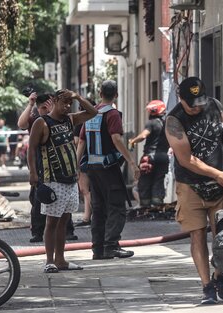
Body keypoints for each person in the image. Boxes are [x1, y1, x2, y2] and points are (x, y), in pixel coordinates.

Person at [165, 77, 223, 304]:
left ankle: (220, 277)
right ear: (181, 99)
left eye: (200, 101)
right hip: (191, 185)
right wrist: (217, 174)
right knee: (197, 234)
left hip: (221, 183)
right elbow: (186, 159)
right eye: (192, 104)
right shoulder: (174, 121)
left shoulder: (214, 105)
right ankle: (206, 286)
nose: (198, 107)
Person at [28, 89, 97, 273]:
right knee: (51, 222)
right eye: (64, 103)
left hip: (71, 180)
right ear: (54, 101)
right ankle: (49, 261)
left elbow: (93, 112)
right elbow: (31, 149)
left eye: (69, 104)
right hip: (53, 180)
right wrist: (33, 174)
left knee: (64, 221)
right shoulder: (41, 123)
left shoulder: (70, 119)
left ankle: (61, 260)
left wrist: (78, 97)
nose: (67, 107)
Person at [77, 80, 139, 260]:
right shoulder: (112, 114)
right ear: (116, 95)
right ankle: (111, 246)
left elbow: (81, 142)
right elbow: (117, 139)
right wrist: (132, 162)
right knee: (117, 207)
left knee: (99, 208)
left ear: (99, 92)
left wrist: (76, 167)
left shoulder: (90, 114)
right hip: (109, 168)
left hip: (92, 169)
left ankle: (98, 249)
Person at [18, 93, 78, 243]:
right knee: (39, 199)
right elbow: (22, 124)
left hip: (60, 168)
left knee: (63, 203)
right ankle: (38, 231)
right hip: (40, 164)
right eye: (43, 107)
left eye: (49, 106)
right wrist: (31, 104)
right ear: (38, 108)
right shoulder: (37, 121)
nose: (46, 110)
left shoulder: (60, 119)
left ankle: (67, 231)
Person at [128, 100, 169, 209]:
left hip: (149, 157)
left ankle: (145, 206)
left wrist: (133, 141)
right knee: (159, 180)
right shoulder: (166, 124)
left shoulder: (151, 123)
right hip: (164, 157)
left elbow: (144, 136)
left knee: (145, 180)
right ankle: (157, 203)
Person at [74, 98, 96, 227]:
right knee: (91, 190)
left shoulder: (81, 122)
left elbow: (78, 142)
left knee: (85, 189)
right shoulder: (97, 119)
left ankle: (88, 217)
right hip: (96, 158)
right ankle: (88, 217)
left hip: (83, 158)